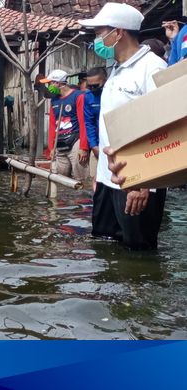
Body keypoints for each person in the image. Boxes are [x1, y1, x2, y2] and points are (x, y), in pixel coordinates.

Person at [79, 2, 168, 250]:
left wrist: (145, 185)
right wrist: (100, 177)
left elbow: (163, 129)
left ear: (118, 33)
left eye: (99, 33)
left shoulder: (152, 68)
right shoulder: (116, 71)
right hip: (110, 179)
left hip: (137, 181)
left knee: (138, 253)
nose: (96, 40)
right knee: (105, 244)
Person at [41, 69, 91, 181]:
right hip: (60, 143)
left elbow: (83, 122)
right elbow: (53, 126)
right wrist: (51, 148)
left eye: (50, 83)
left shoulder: (78, 96)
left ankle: (82, 199)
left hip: (75, 141)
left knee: (80, 178)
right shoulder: (54, 101)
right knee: (61, 179)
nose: (48, 86)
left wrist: (83, 147)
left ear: (57, 83)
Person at [83, 66, 107, 186]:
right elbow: (89, 123)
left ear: (105, 80)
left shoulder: (113, 94)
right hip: (97, 145)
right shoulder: (88, 97)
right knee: (96, 180)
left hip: (115, 143)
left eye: (95, 86)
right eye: (89, 86)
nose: (92, 89)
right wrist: (93, 145)